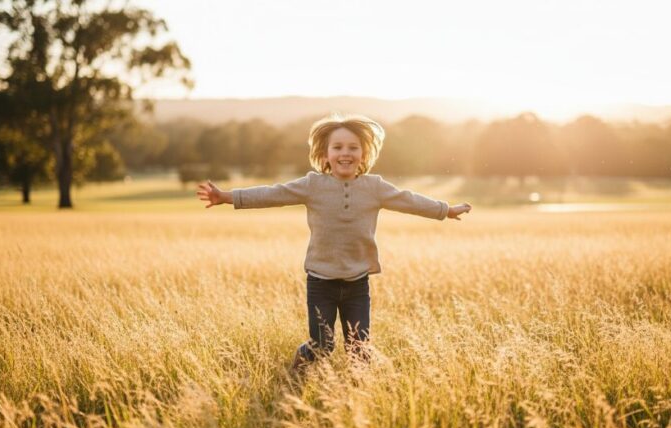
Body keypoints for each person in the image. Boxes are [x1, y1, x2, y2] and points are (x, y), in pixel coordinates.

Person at [197, 114, 472, 372]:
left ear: (363, 154)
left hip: (357, 283)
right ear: (325, 155)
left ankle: (356, 398)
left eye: (353, 147)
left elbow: (408, 199)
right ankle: (297, 373)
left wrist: (445, 210)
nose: (345, 153)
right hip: (321, 283)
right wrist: (226, 197)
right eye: (337, 147)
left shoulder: (374, 187)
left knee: (360, 349)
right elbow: (273, 193)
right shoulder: (312, 185)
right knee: (322, 346)